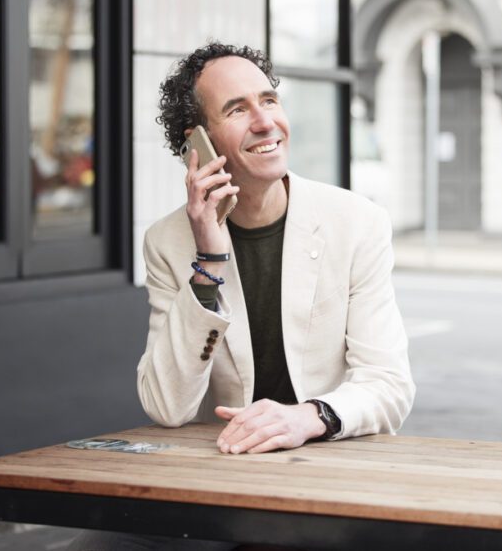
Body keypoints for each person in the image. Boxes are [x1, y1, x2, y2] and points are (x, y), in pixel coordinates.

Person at [68, 42, 414, 551]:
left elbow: (389, 386)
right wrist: (208, 260)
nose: (264, 121)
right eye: (237, 109)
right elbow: (167, 405)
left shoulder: (357, 223)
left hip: (330, 472)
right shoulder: (168, 243)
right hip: (224, 479)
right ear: (198, 144)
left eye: (269, 100)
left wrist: (308, 416)